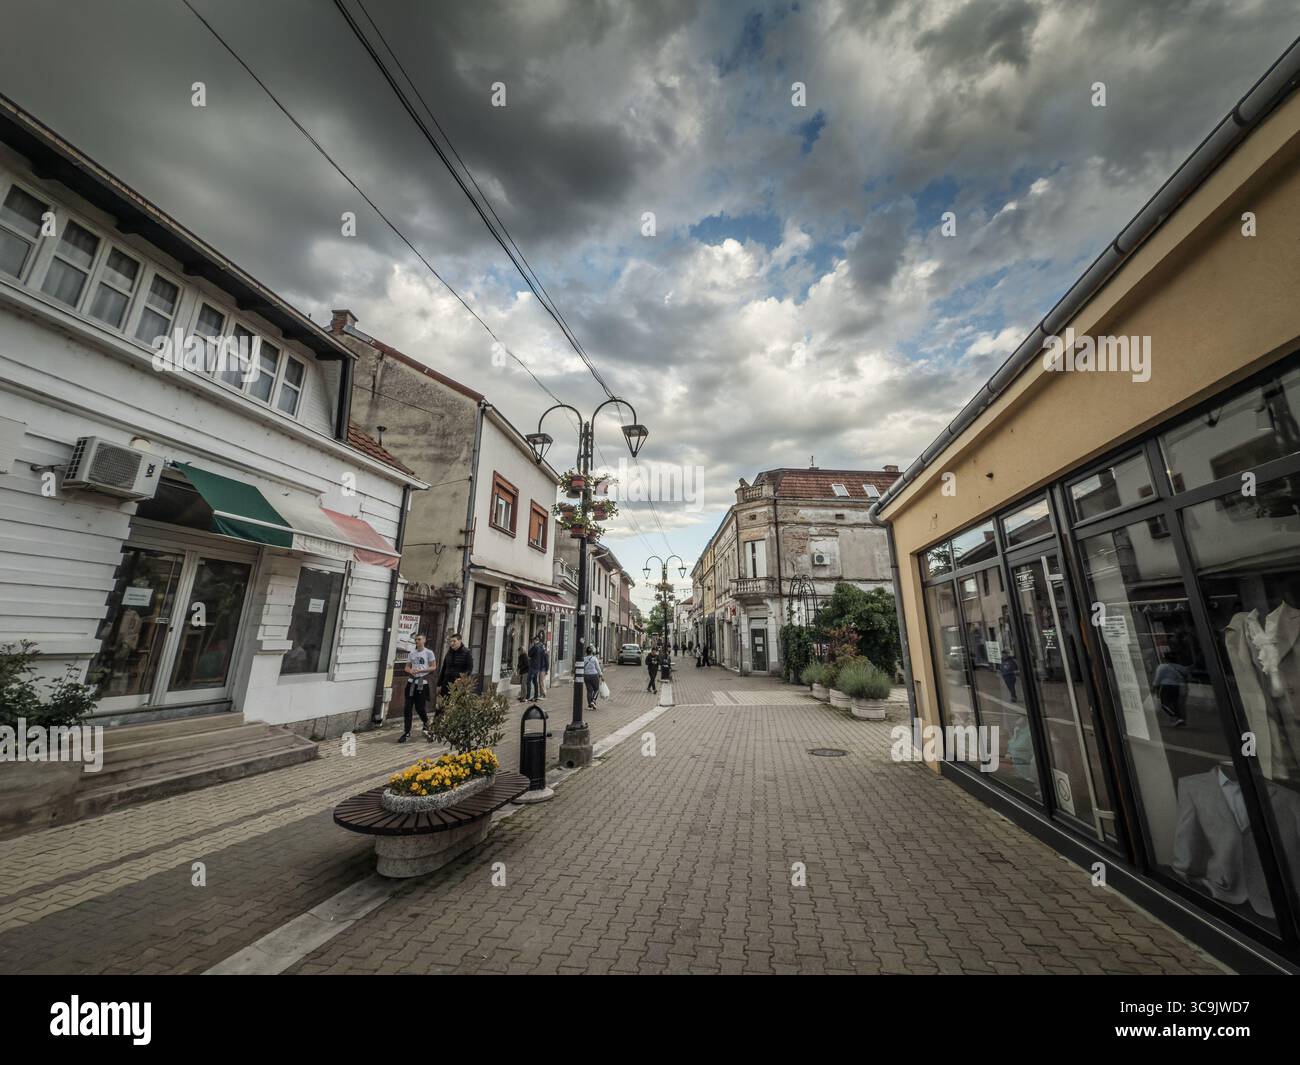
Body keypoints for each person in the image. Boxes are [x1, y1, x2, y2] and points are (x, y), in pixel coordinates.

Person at [399, 633, 435, 743]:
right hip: (411, 682)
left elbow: (433, 667)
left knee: (420, 708)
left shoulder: (429, 653)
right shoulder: (412, 653)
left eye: (419, 639)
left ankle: (426, 722)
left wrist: (421, 671)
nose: (417, 641)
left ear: (424, 641)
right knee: (407, 708)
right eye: (416, 639)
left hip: (422, 682)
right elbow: (406, 667)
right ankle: (407, 731)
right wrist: (411, 671)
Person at [1153, 654, 1188, 726]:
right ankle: (1179, 718)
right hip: (1176, 687)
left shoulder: (1162, 666)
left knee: (1164, 704)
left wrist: (1155, 686)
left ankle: (1175, 716)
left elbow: (1158, 677)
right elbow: (1182, 675)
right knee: (1175, 703)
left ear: (1165, 659)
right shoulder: (1176, 668)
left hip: (1166, 686)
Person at [437, 633, 473, 697]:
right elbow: (444, 668)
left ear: (460, 641)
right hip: (446, 683)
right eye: (451, 641)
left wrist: (461, 679)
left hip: (458, 684)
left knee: (456, 704)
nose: (452, 643)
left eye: (454, 641)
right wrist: (439, 684)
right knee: (444, 704)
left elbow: (469, 669)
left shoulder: (467, 653)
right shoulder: (449, 653)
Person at [582, 644, 603, 710]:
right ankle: (593, 700)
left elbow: (582, 668)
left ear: (586, 652)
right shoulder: (594, 659)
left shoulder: (584, 659)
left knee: (589, 691)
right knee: (596, 689)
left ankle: (589, 705)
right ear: (592, 652)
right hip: (594, 675)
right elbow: (598, 668)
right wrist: (601, 675)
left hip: (586, 675)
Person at [527, 635, 545, 701]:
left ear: (535, 641)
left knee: (528, 681)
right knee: (535, 681)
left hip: (533, 666)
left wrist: (531, 647)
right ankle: (536, 695)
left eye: (533, 640)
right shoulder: (541, 648)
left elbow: (529, 654)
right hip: (538, 667)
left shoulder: (535, 647)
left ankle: (528, 696)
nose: (533, 642)